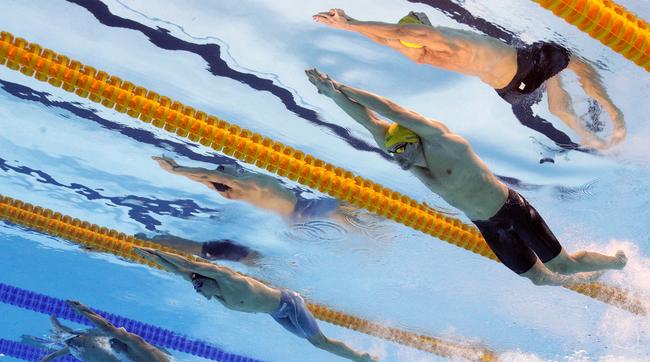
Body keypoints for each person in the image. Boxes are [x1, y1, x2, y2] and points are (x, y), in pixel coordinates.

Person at [305, 68, 627, 285]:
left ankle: (616, 262)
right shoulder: (405, 152)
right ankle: (586, 276)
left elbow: (388, 109)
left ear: (412, 139)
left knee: (560, 266)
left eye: (401, 152)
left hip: (512, 210)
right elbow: (369, 121)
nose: (400, 160)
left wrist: (342, 86)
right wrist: (331, 94)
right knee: (539, 279)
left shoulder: (442, 140)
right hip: (488, 226)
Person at [313, 9, 626, 150]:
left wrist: (353, 24)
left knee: (557, 102)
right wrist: (350, 24)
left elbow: (389, 39)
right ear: (423, 27)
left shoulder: (420, 54)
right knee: (575, 64)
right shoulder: (442, 39)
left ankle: (587, 136)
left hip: (508, 90)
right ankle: (614, 112)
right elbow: (402, 33)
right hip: (525, 66)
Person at [134, 247, 379, 362]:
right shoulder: (213, 289)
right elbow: (179, 271)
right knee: (314, 344)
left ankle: (361, 358)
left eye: (198, 286)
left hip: (289, 303)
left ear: (207, 280)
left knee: (319, 342)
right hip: (275, 313)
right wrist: (147, 257)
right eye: (196, 287)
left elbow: (187, 264)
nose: (196, 291)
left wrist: (153, 250)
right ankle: (360, 358)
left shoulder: (229, 280)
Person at [152, 156, 370, 224]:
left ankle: (372, 239)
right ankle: (382, 221)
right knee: (350, 205)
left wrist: (180, 171)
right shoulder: (242, 183)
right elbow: (210, 176)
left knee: (348, 219)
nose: (227, 165)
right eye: (224, 167)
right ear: (227, 175)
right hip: (304, 208)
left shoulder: (230, 192)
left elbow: (204, 180)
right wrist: (176, 169)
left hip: (295, 217)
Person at [37, 301, 174, 362]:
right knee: (60, 331)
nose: (111, 346)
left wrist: (84, 311)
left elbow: (109, 328)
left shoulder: (140, 348)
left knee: (61, 332)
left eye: (113, 344)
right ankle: (53, 319)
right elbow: (109, 330)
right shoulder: (129, 357)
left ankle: (53, 318)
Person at [136, 232, 262, 265]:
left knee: (202, 250)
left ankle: (153, 241)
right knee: (204, 250)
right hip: (233, 251)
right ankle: (150, 241)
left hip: (233, 250)